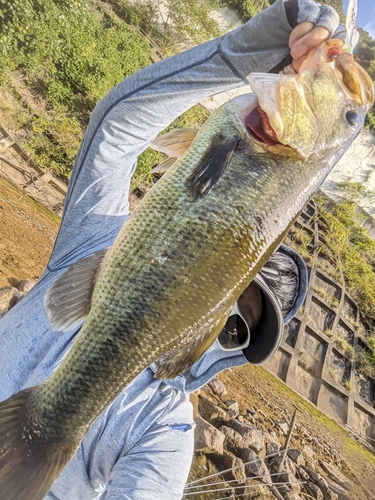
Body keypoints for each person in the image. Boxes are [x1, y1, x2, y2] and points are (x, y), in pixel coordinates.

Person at [0, 0, 346, 498]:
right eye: (216, 279)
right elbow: (119, 127)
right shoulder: (95, 250)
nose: (204, 305)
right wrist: (243, 53)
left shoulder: (165, 431)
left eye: (231, 326)